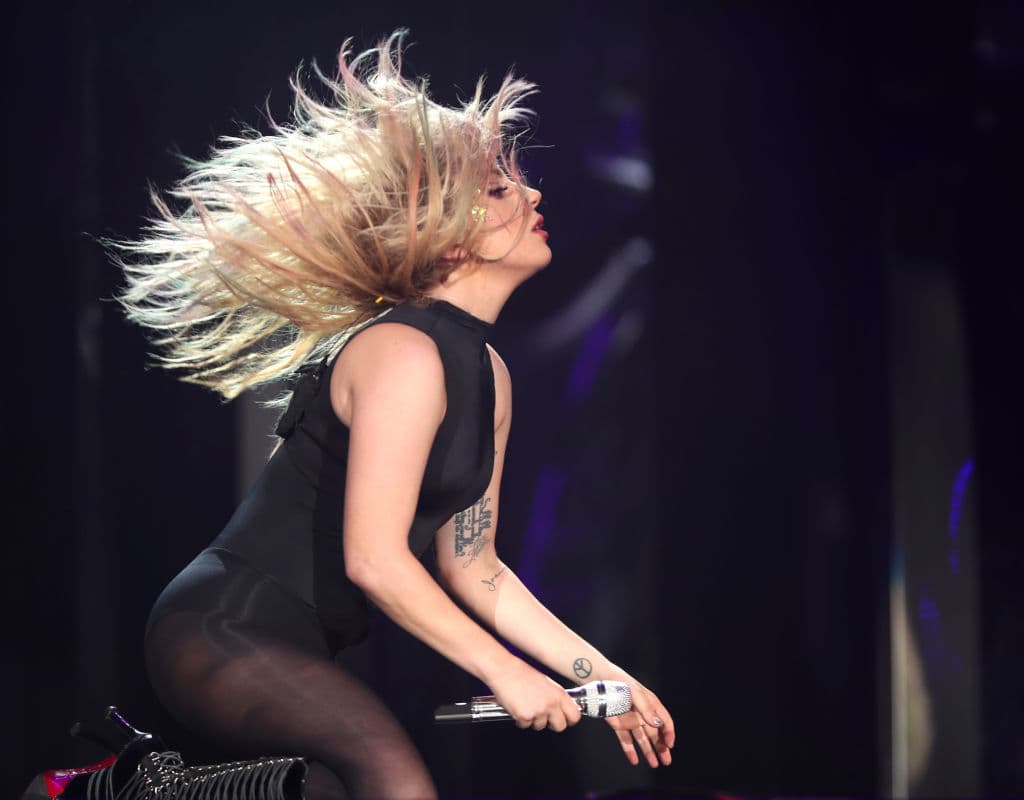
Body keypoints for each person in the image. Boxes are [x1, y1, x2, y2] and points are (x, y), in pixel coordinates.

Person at [109, 30, 674, 799]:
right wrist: (504, 672)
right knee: (397, 785)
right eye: (500, 190)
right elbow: (374, 560)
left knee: (330, 790)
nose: (534, 195)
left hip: (296, 647)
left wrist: (605, 677)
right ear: (444, 236)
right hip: (219, 628)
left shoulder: (488, 374)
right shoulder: (401, 352)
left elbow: (476, 567)